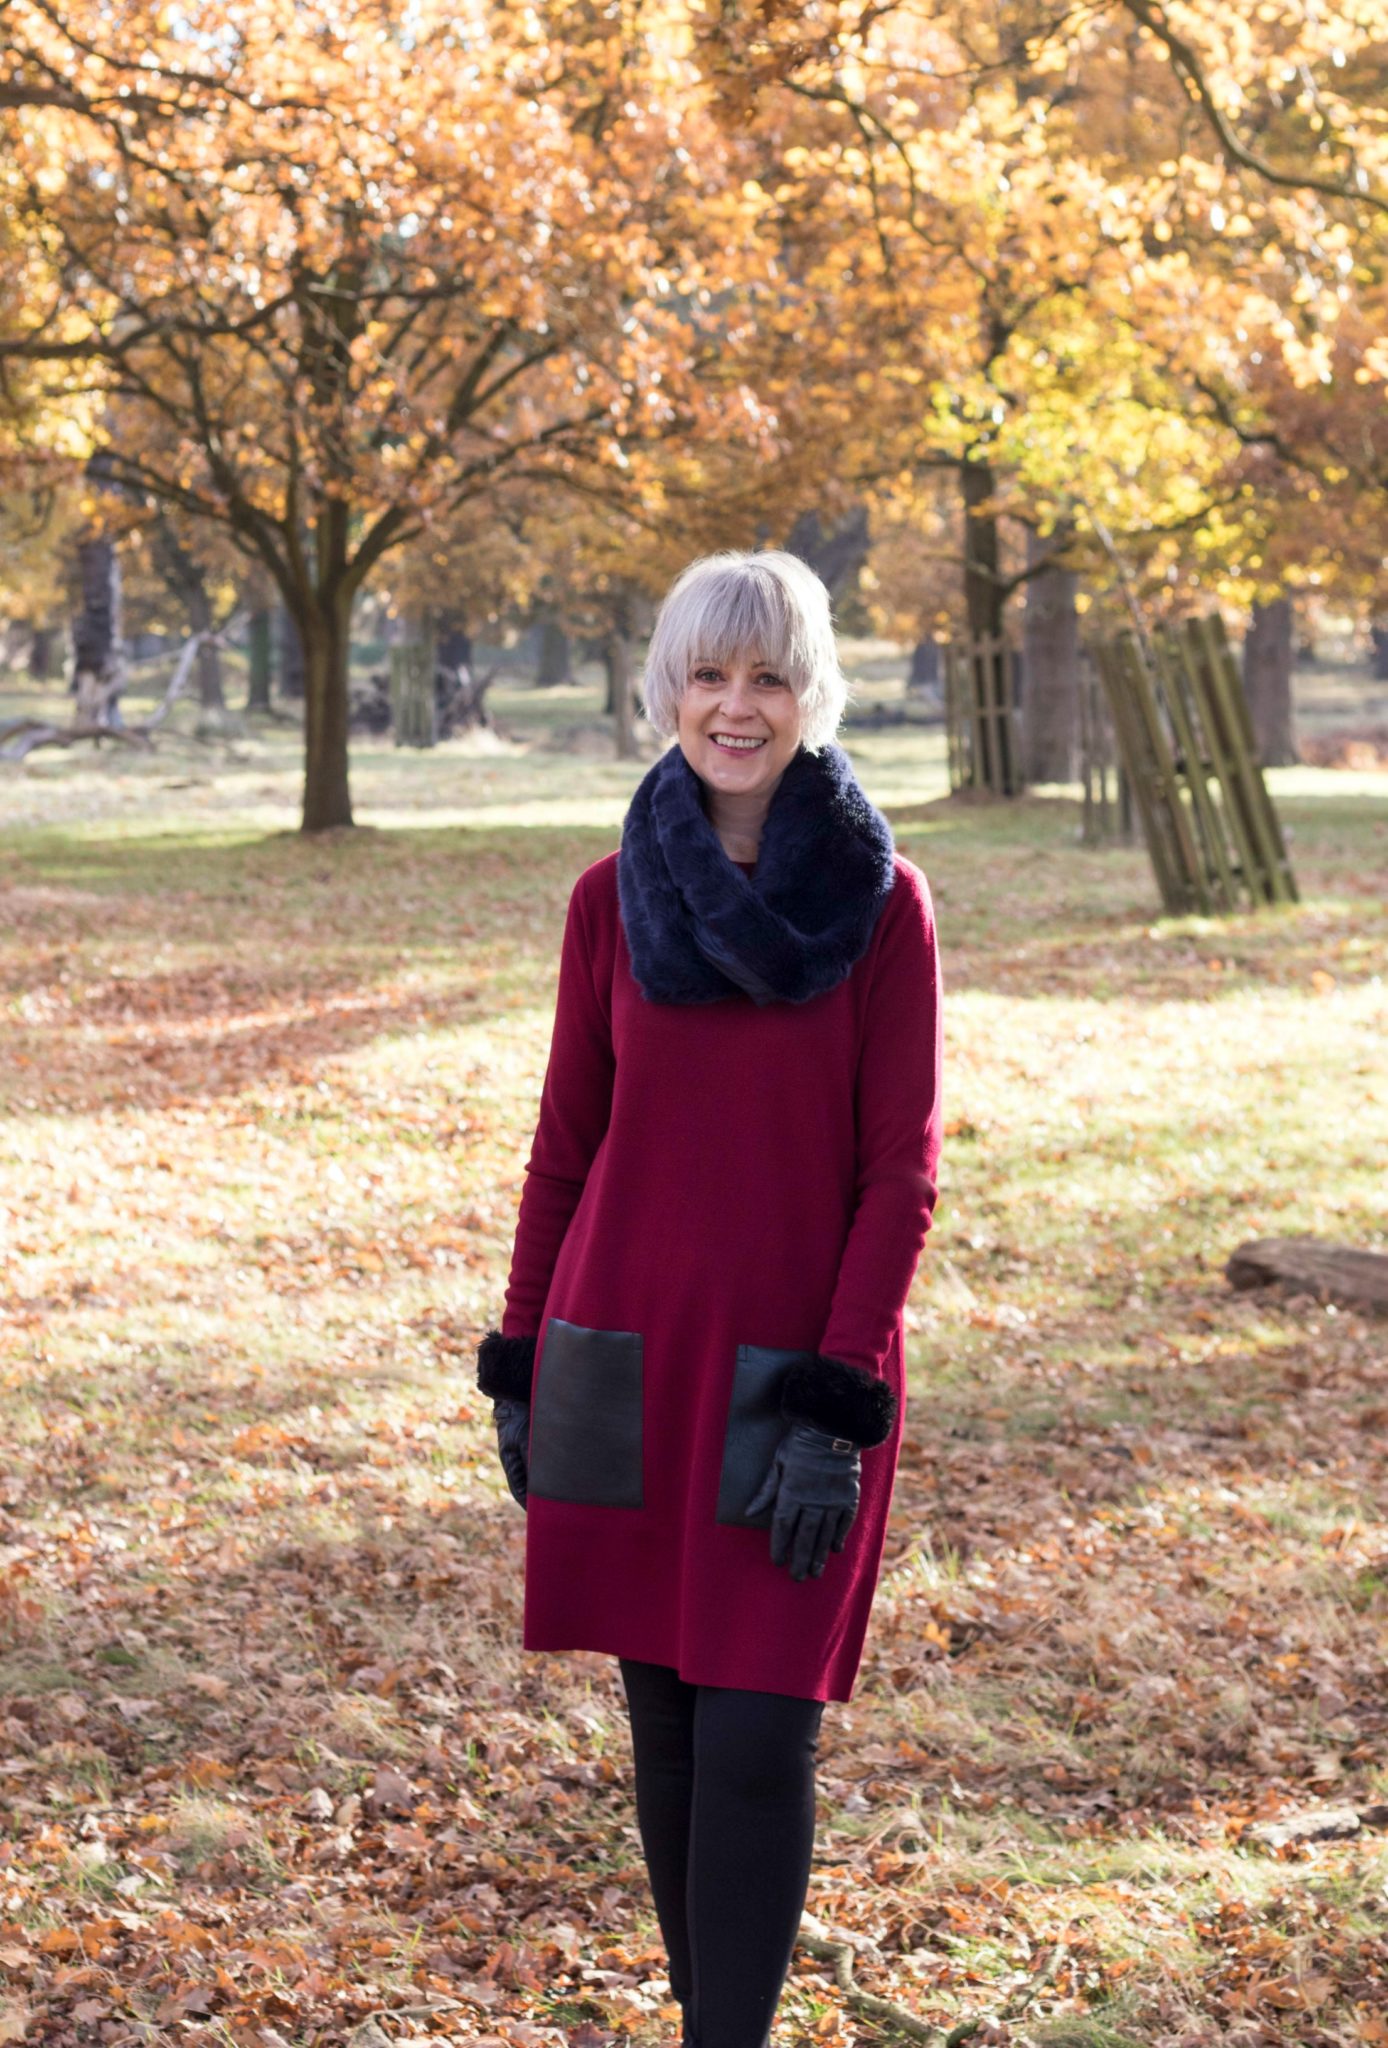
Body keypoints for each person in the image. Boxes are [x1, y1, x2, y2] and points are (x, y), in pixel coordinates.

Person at [476, 550, 943, 2047]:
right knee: (668, 1727)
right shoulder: (610, 901)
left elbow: (901, 1177)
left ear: (813, 695)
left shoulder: (886, 909)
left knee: (758, 1731)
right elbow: (566, 1147)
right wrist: (521, 1361)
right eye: (709, 674)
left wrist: (837, 1404)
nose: (736, 708)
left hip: (794, 1371)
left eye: (769, 677)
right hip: (622, 1346)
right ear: (667, 686)